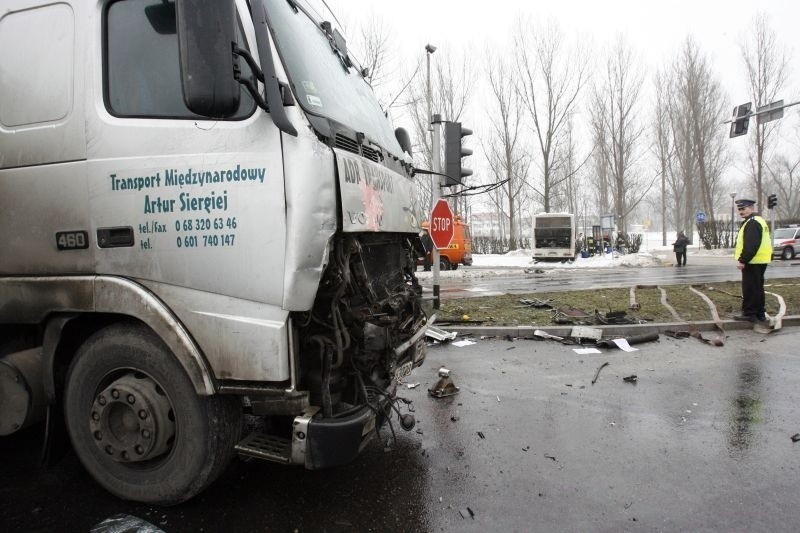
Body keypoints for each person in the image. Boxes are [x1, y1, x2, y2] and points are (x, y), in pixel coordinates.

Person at [732, 198, 772, 322]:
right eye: (739, 209)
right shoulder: (759, 220)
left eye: (743, 209)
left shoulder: (752, 223)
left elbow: (751, 244)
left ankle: (750, 313)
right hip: (760, 260)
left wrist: (743, 260)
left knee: (750, 288)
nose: (741, 212)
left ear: (751, 208)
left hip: (753, 261)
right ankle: (760, 313)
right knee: (758, 287)